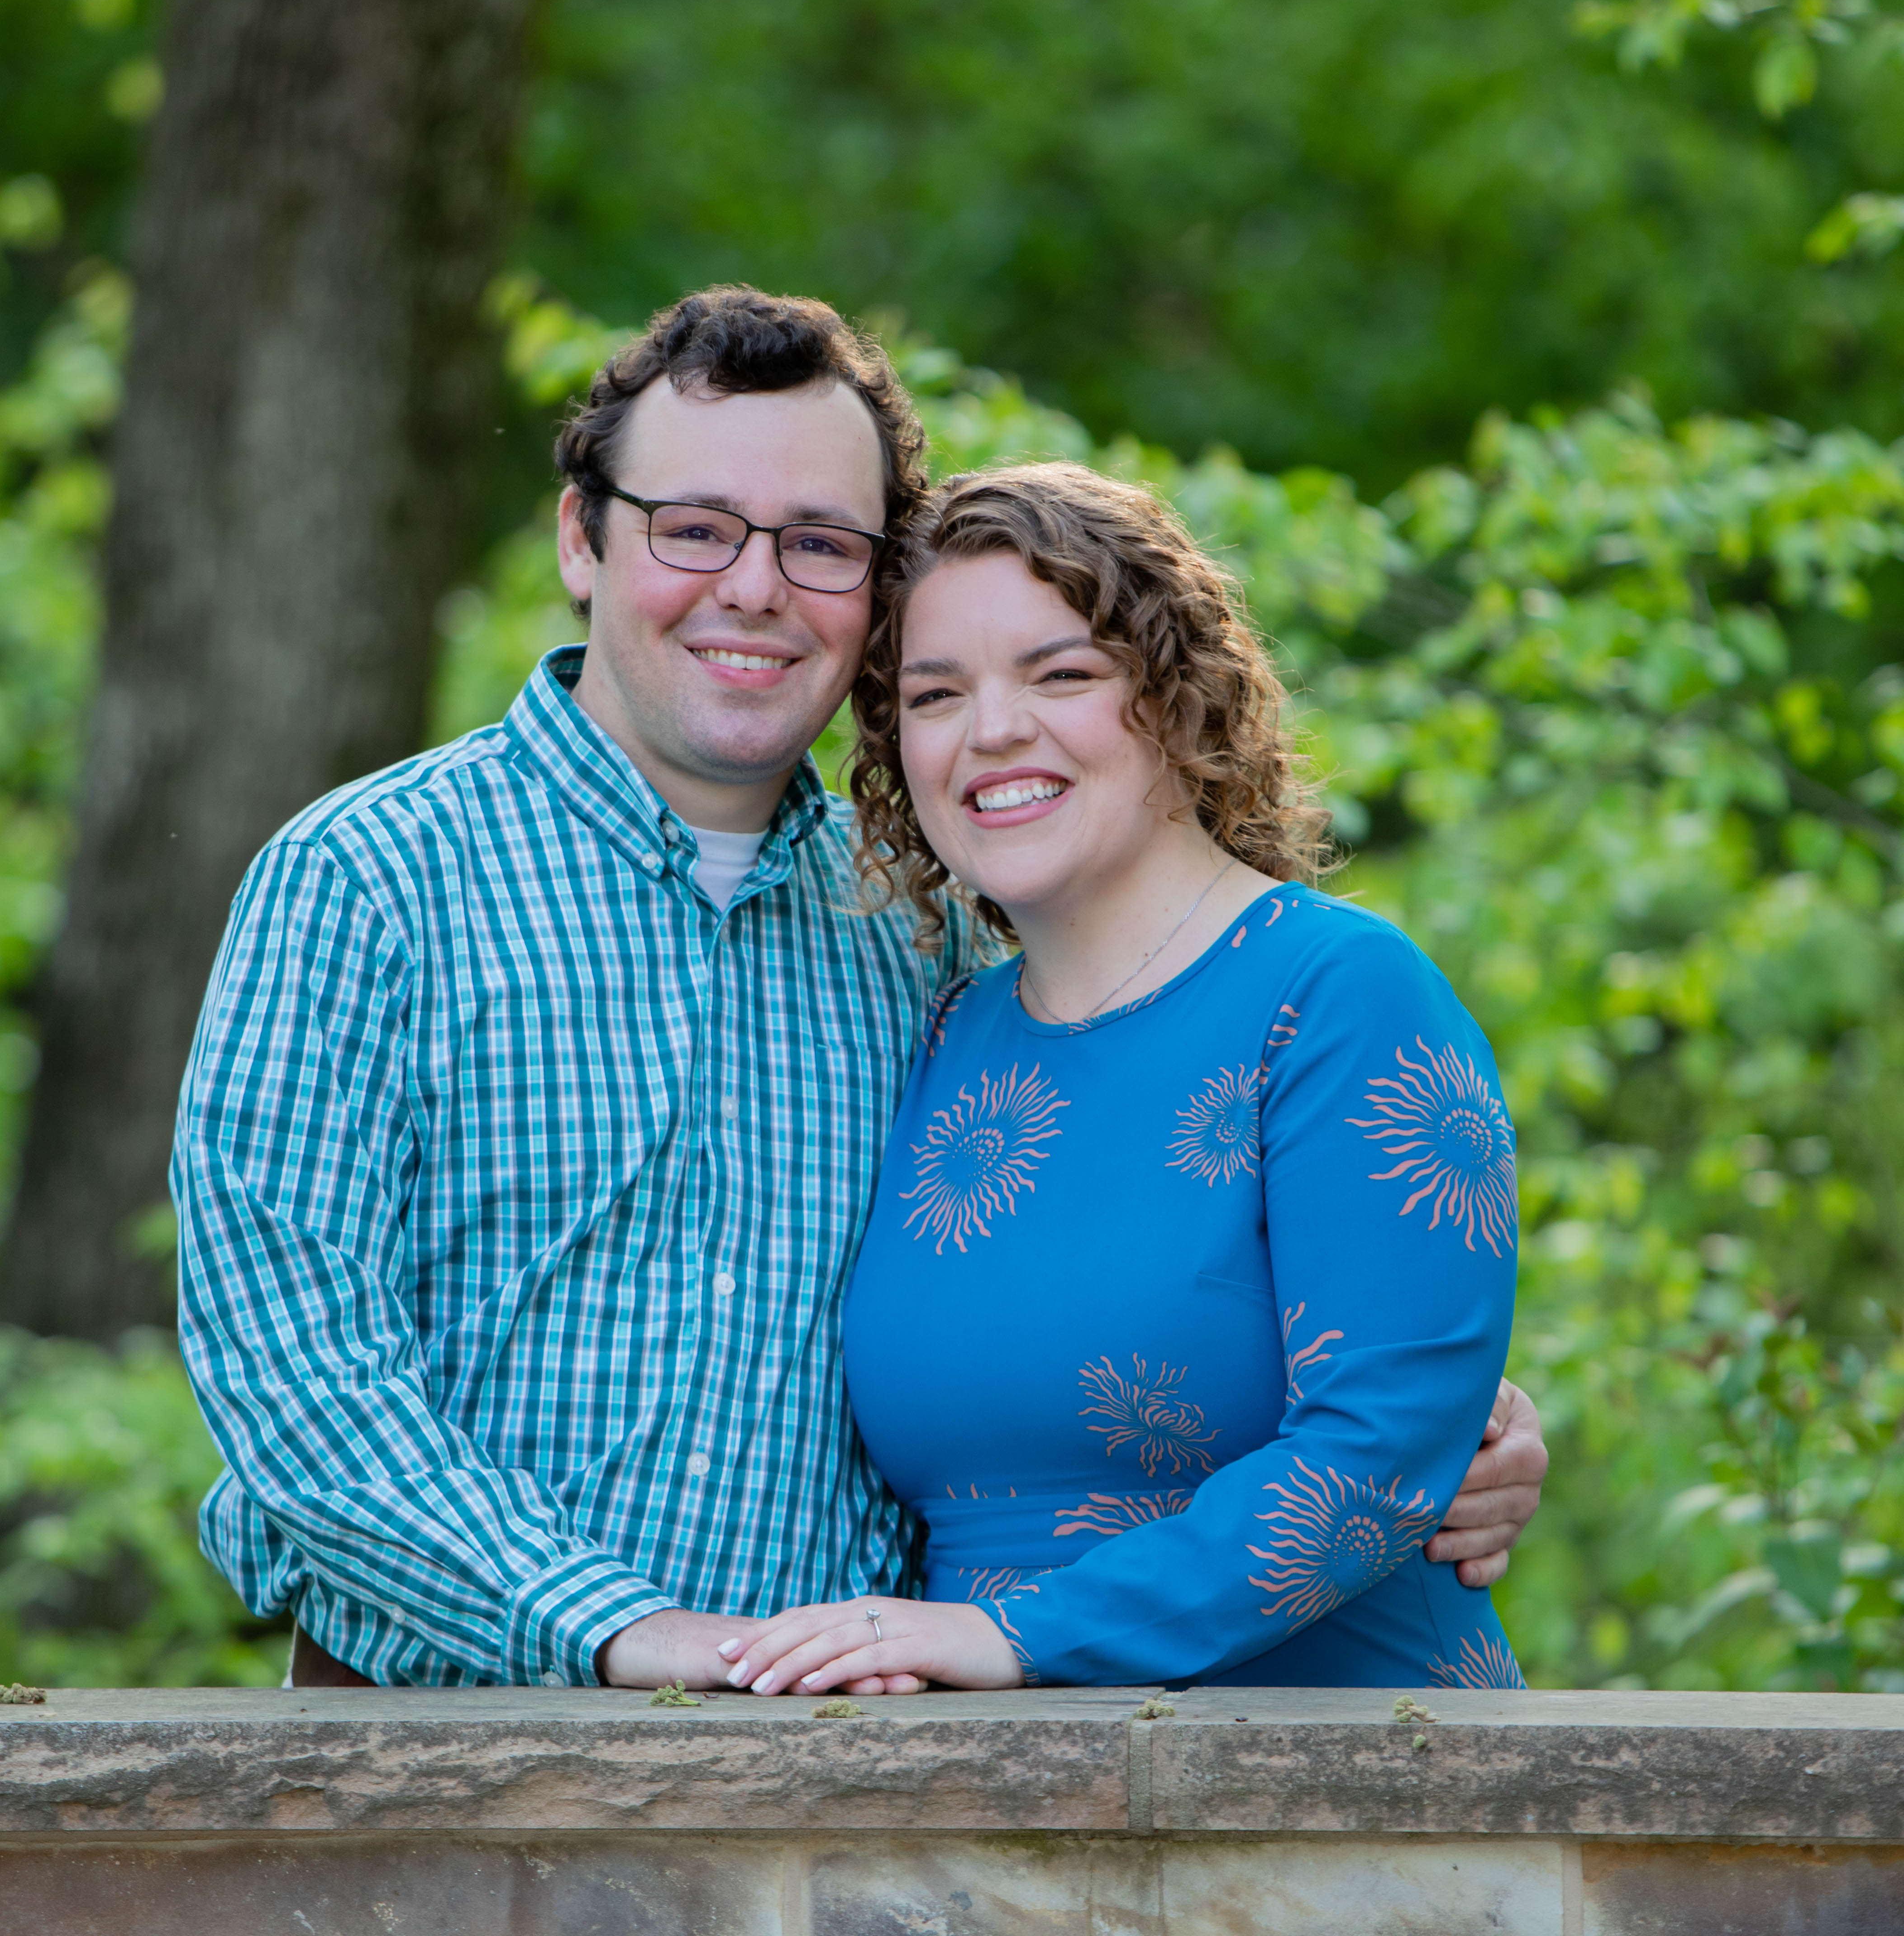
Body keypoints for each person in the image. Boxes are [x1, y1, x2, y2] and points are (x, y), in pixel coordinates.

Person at [174, 287, 1546, 1691]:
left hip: (861, 1764)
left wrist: (1452, 1426)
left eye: (820, 544)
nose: (755, 587)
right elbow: (298, 1372)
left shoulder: (927, 938)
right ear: (584, 540)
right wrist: (614, 1630)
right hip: (444, 1742)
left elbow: (1230, 1318)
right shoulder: (369, 880)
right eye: (695, 527)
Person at [722, 461, 1527, 1698]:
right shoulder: (942, 1033)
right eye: (937, 695)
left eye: (1063, 674)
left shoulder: (1339, 996)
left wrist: (1013, 1637)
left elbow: (1377, 1451)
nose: (995, 732)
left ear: (1179, 699)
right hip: (1004, 1813)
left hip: (1341, 1785)